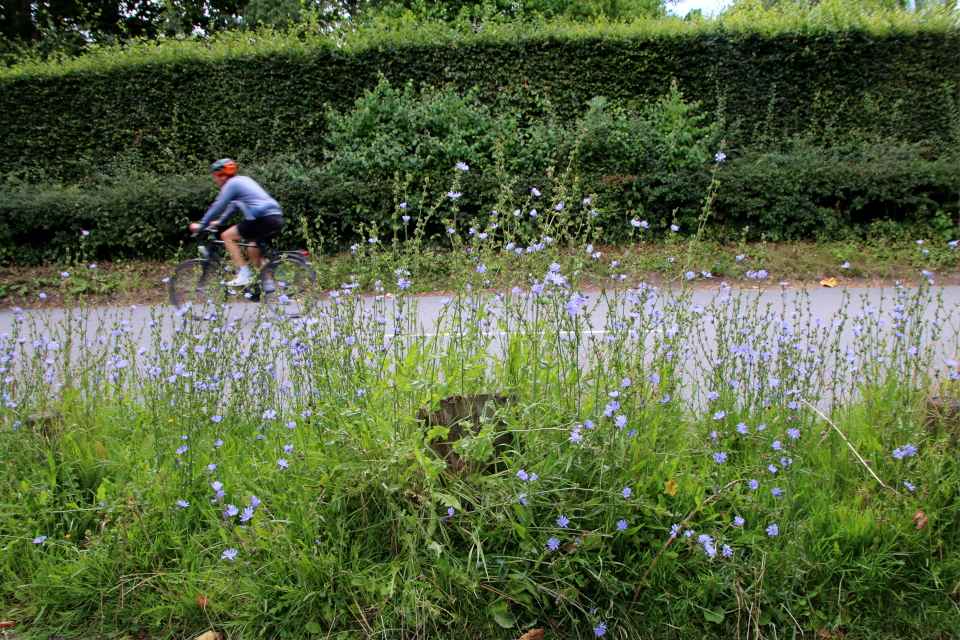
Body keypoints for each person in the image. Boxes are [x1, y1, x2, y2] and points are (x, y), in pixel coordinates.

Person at [189, 158, 286, 286]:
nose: (215, 180)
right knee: (253, 252)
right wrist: (220, 222)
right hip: (275, 219)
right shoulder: (243, 180)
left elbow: (218, 205)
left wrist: (202, 225)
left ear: (223, 175)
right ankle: (269, 287)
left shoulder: (231, 184)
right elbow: (233, 207)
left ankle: (243, 273)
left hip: (263, 219)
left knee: (227, 236)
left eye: (216, 176)